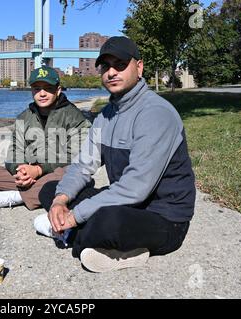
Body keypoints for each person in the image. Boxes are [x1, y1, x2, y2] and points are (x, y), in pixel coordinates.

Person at [34, 36, 196, 273]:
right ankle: (87, 239)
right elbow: (82, 166)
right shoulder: (105, 116)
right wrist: (61, 201)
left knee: (106, 223)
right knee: (51, 189)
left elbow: (135, 188)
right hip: (128, 204)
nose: (111, 72)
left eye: (120, 64)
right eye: (106, 66)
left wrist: (75, 216)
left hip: (164, 217)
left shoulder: (155, 113)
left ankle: (75, 236)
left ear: (138, 67)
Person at [0, 66, 91, 210]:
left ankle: (18, 197)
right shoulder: (24, 117)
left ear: (58, 90)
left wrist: (39, 170)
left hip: (56, 172)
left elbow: (75, 155)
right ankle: (38, 191)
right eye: (37, 88)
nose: (42, 94)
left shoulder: (75, 117)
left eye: (48, 88)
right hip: (33, 175)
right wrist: (20, 172)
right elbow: (15, 150)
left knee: (75, 174)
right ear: (32, 91)